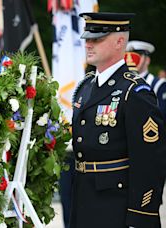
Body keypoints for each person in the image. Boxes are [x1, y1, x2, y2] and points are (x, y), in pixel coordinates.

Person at [70, 12, 166, 228]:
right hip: (84, 200)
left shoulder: (134, 91)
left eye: (97, 39)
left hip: (117, 207)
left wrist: (140, 216)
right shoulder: (85, 87)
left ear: (119, 41)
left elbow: (149, 161)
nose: (88, 45)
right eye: (87, 38)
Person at [126, 41, 166, 120]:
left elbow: (162, 116)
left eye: (138, 56)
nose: (133, 60)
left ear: (147, 60)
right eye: (130, 56)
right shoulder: (121, 82)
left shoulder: (158, 84)